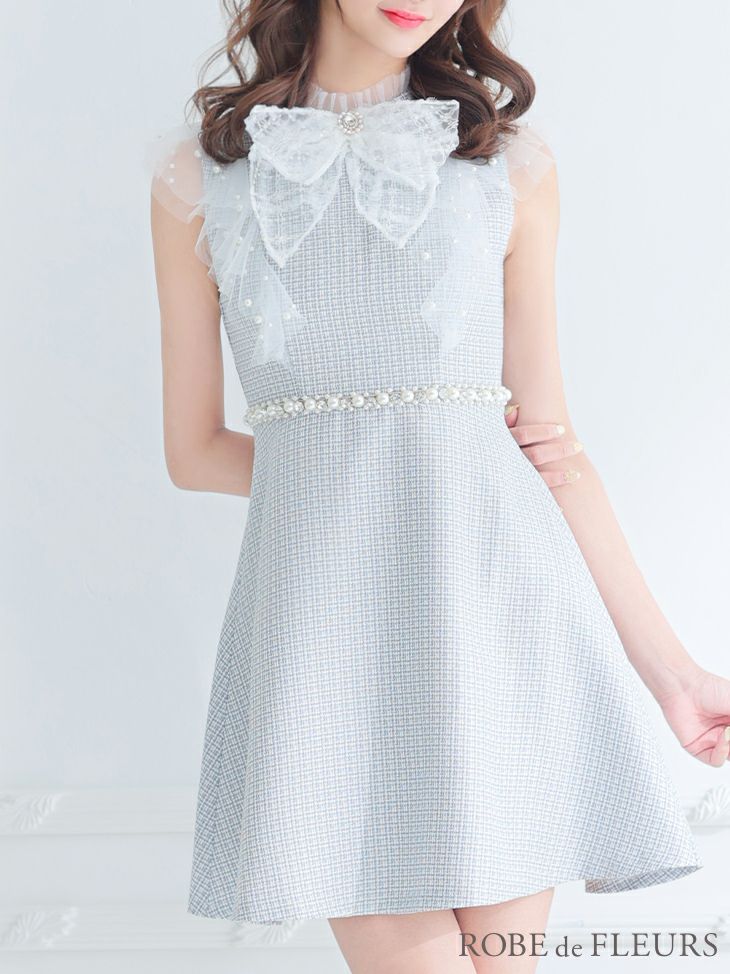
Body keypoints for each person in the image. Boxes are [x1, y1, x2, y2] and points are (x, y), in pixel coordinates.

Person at [149, 2, 730, 971]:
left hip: (499, 616)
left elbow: (552, 449)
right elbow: (196, 451)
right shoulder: (198, 178)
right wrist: (373, 484)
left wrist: (674, 675)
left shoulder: (505, 163)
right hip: (324, 636)